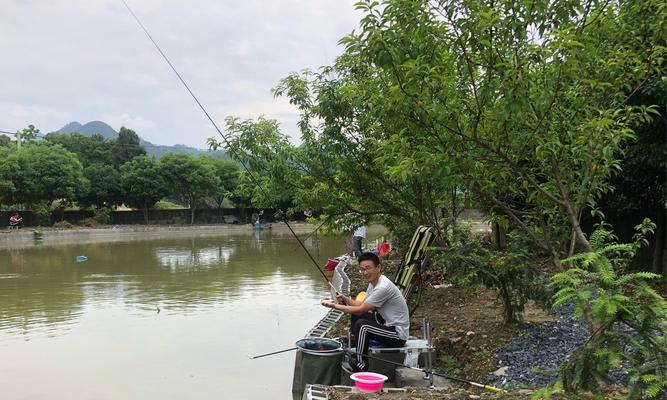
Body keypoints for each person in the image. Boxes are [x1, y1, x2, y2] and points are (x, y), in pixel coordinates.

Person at [321, 252, 409, 372]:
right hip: (386, 326)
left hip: (397, 335)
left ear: (378, 267)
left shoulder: (383, 287)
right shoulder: (374, 283)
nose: (365, 273)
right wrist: (346, 299)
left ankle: (361, 365)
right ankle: (357, 343)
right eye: (362, 269)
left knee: (362, 326)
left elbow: (360, 309)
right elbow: (362, 305)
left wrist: (334, 306)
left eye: (368, 268)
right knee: (359, 317)